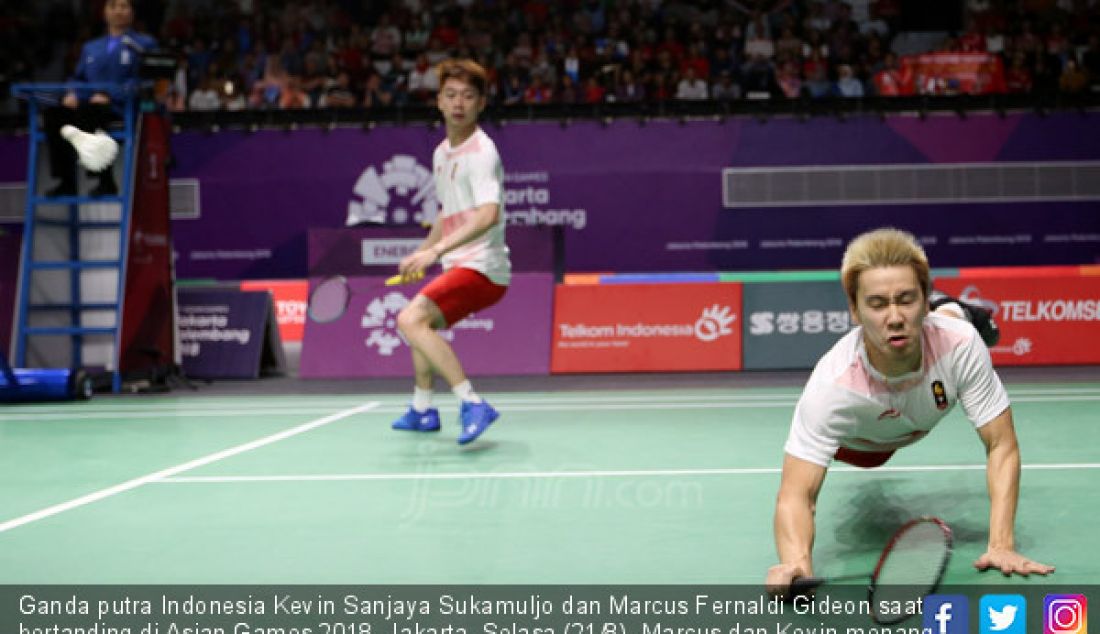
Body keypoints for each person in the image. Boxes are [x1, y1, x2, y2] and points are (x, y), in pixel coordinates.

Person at [766, 228, 1054, 597]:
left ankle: (952, 308)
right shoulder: (832, 387)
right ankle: (950, 307)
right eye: (878, 303)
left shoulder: (961, 346)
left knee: (955, 328)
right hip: (864, 444)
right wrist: (796, 565)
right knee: (871, 461)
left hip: (927, 395)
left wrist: (1000, 544)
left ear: (922, 297)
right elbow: (795, 494)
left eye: (906, 299)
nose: (895, 317)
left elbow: (1001, 446)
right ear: (854, 310)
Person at [391, 59, 510, 446]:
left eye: (468, 96)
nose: (459, 103)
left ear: (481, 104)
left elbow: (488, 215)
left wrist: (438, 249)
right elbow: (447, 213)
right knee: (420, 325)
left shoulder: (482, 153)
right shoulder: (442, 152)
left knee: (410, 319)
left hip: (482, 267)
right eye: (451, 95)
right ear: (439, 102)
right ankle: (423, 409)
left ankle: (472, 403)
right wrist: (422, 254)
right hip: (459, 262)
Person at [43, 0, 156, 197]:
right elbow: (78, 77)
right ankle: (66, 182)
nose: (118, 11)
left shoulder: (143, 44)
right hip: (89, 106)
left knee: (89, 114)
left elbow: (146, 80)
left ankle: (105, 180)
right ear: (104, 13)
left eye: (124, 6)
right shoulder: (91, 47)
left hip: (121, 109)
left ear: (132, 12)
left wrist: (110, 96)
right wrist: (72, 93)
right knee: (54, 116)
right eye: (113, 6)